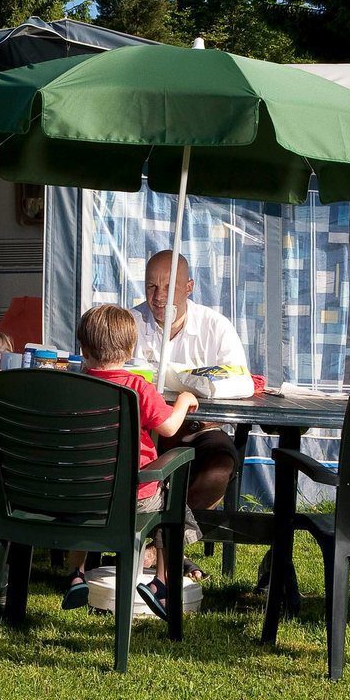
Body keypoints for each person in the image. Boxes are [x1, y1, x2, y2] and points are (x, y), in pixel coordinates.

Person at [61, 304, 199, 619]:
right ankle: (161, 583)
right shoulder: (138, 387)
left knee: (92, 507)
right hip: (133, 497)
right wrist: (183, 400)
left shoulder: (74, 386)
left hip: (82, 495)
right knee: (170, 502)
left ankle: (77, 573)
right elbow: (167, 427)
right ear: (131, 348)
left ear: (82, 347)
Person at [129, 250, 246, 578]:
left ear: (190, 287)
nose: (158, 297)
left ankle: (157, 546)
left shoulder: (215, 327)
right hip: (143, 432)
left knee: (221, 464)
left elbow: (239, 379)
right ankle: (168, 553)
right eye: (151, 286)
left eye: (168, 287)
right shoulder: (130, 323)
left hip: (198, 429)